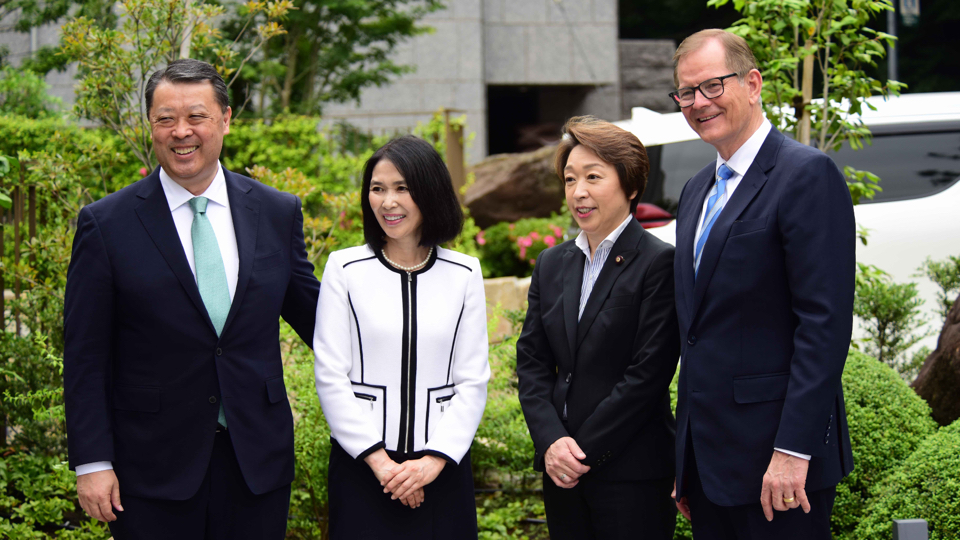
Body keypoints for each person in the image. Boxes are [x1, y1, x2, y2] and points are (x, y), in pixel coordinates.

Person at [62, 58, 321, 539]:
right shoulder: (106, 224)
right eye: (166, 119)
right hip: (149, 470)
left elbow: (323, 324)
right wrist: (92, 462)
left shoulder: (276, 212)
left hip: (256, 464)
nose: (181, 132)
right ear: (151, 125)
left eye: (196, 116)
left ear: (225, 119)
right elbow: (84, 355)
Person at [668, 29, 856, 539]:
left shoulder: (805, 175)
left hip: (780, 465)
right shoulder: (696, 191)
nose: (698, 103)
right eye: (686, 92)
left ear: (751, 83)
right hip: (709, 466)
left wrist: (794, 451)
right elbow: (697, 331)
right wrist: (686, 461)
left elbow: (825, 325)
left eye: (711, 86)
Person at [313, 135, 490, 539]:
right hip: (363, 470)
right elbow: (330, 375)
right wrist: (384, 466)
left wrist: (431, 463)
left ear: (429, 192)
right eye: (377, 189)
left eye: (402, 188)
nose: (387, 202)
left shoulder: (464, 273)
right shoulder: (345, 269)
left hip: (443, 470)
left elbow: (473, 378)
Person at [516, 116, 681, 540]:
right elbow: (532, 363)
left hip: (632, 473)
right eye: (570, 180)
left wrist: (579, 451)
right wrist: (552, 441)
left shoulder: (658, 262)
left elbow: (648, 373)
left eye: (593, 177)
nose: (579, 192)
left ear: (629, 185)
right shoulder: (552, 264)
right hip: (561, 471)